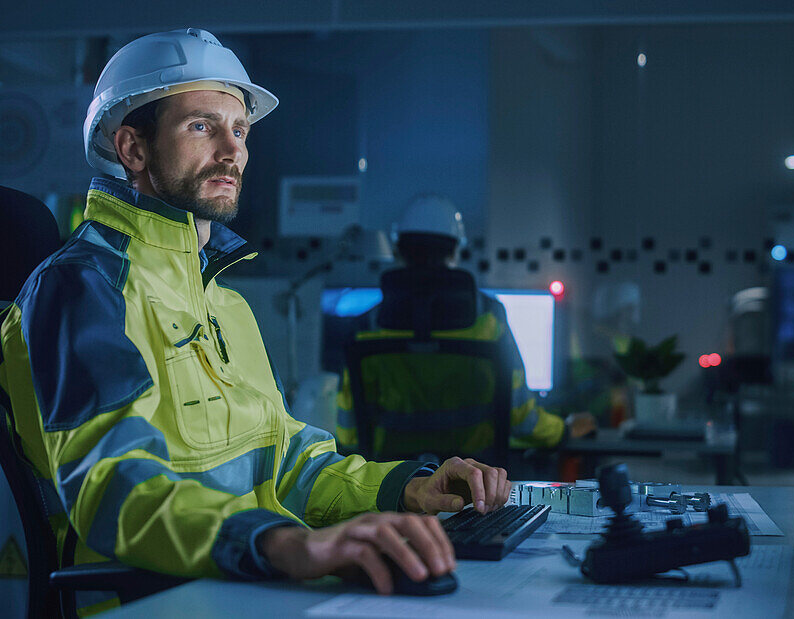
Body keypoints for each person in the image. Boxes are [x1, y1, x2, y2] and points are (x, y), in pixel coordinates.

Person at [0, 29, 509, 611]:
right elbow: (118, 490)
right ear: (133, 149)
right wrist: (286, 545)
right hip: (160, 601)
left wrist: (406, 488)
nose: (233, 150)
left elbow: (286, 460)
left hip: (250, 586)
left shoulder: (225, 304)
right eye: (202, 126)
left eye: (239, 129)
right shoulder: (82, 291)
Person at [336, 195, 595, 458]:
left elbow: (348, 433)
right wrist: (563, 429)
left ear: (399, 251)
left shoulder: (366, 327)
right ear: (455, 251)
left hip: (397, 487)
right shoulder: (490, 320)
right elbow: (521, 421)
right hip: (473, 487)